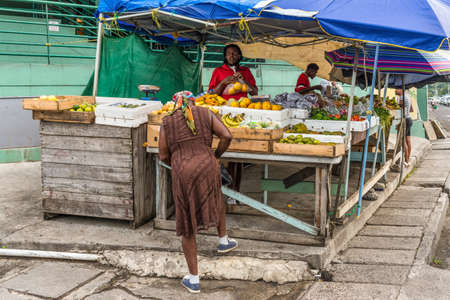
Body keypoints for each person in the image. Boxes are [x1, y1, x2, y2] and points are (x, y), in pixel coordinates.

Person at [159, 91, 238, 294]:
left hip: (182, 170)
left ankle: (193, 279)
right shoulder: (206, 113)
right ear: (193, 101)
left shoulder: (167, 123)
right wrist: (216, 155)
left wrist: (178, 162)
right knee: (216, 197)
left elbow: (163, 154)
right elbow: (227, 135)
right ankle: (223, 241)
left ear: (176, 105)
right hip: (208, 163)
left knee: (186, 220)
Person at [209, 44, 258, 193]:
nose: (232, 56)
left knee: (238, 156)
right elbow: (211, 94)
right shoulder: (218, 71)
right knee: (222, 151)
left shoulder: (246, 71)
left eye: (235, 54)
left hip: (242, 116)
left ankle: (234, 190)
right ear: (225, 56)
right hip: (223, 116)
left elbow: (254, 92)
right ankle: (219, 188)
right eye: (229, 54)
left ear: (239, 56)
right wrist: (224, 82)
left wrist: (244, 80)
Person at [396, 89, 413, 167]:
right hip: (409, 119)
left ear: (401, 89)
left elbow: (400, 110)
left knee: (403, 141)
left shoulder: (402, 97)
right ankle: (407, 160)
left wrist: (399, 123)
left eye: (397, 89)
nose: (395, 90)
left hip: (404, 120)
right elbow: (411, 109)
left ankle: (406, 161)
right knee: (408, 140)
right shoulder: (408, 96)